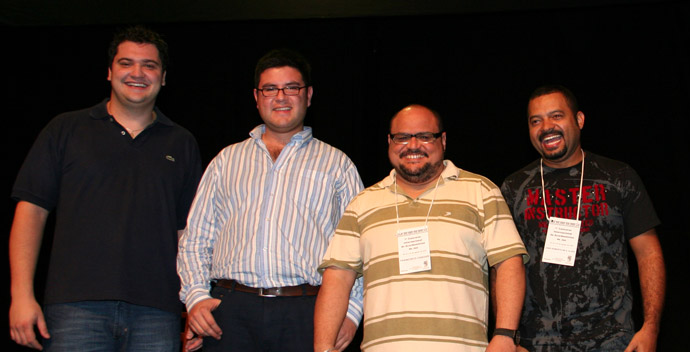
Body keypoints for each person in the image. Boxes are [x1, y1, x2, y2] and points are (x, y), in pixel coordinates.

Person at [9, 26, 202, 351]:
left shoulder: (181, 143)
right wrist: (21, 296)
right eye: (126, 63)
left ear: (163, 77)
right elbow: (31, 212)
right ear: (110, 71)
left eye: (149, 65)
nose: (138, 73)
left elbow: (188, 234)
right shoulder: (66, 130)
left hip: (157, 312)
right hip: (75, 309)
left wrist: (193, 305)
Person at [176, 49, 364, 352]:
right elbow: (197, 238)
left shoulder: (337, 164)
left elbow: (358, 248)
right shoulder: (226, 160)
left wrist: (352, 313)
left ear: (308, 95)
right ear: (256, 96)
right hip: (229, 313)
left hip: (307, 312)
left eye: (292, 87)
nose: (281, 97)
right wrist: (196, 296)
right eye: (270, 89)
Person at [314, 105, 528, 352]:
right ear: (389, 141)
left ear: (443, 140)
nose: (413, 145)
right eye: (402, 137)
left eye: (425, 136)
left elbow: (509, 263)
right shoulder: (362, 204)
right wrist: (323, 347)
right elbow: (337, 279)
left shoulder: (481, 191)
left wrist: (504, 335)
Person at [499, 85, 665, 352]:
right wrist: (509, 336)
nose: (546, 127)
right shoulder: (513, 188)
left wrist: (651, 327)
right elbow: (504, 266)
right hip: (535, 344)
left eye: (556, 116)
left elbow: (648, 254)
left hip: (613, 341)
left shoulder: (618, 177)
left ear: (579, 120)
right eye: (536, 121)